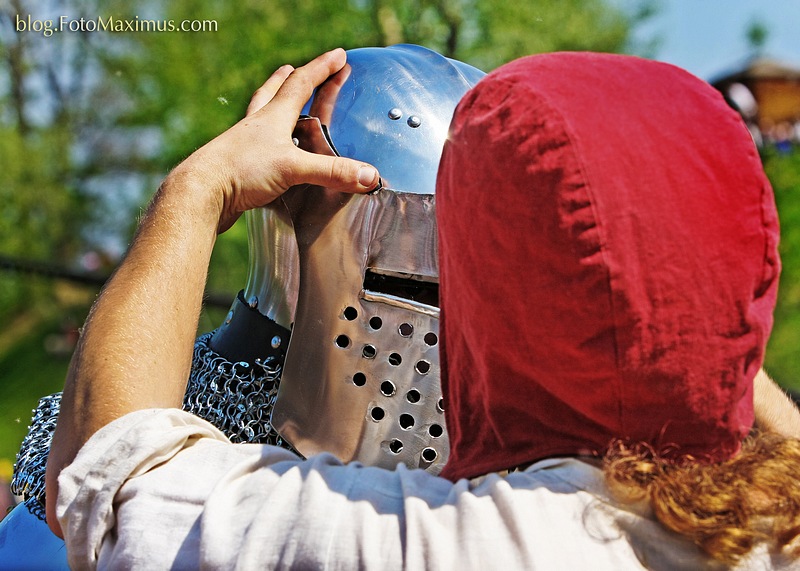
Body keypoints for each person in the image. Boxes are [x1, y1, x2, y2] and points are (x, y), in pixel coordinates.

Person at [44, 49, 800, 569]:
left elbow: (113, 476)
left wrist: (195, 189)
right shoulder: (770, 533)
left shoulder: (434, 541)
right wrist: (688, 300)